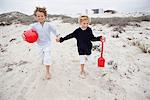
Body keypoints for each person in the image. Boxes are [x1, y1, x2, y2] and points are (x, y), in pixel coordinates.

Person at [32, 7, 60, 80]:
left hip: (47, 44)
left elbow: (55, 31)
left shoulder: (49, 25)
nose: (40, 17)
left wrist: (57, 36)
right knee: (42, 57)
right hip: (39, 45)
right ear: (36, 17)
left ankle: (47, 72)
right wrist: (24, 36)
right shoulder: (34, 26)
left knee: (47, 56)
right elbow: (27, 33)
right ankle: (44, 60)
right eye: (38, 16)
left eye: (42, 16)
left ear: (45, 16)